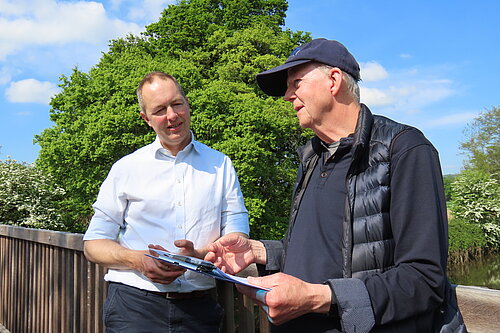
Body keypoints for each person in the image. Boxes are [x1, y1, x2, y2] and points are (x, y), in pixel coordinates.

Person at [205, 39, 465, 332]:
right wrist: (259, 252)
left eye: (297, 83)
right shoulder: (311, 158)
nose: (288, 95)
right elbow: (321, 252)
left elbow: (423, 279)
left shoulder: (404, 148)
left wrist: (320, 298)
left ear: (333, 80)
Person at [83, 71, 249, 333]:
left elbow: (237, 233)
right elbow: (93, 244)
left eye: (176, 104)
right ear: (146, 119)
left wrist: (199, 256)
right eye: (159, 109)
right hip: (134, 307)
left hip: (200, 309)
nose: (171, 116)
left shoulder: (221, 164)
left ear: (187, 105)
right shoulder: (125, 168)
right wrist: (138, 260)